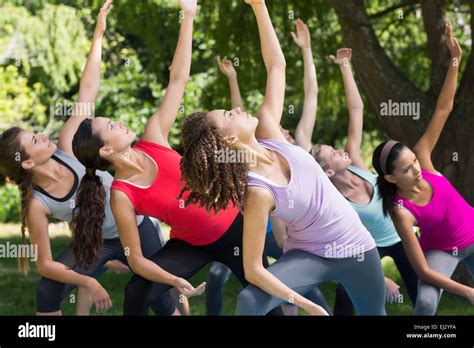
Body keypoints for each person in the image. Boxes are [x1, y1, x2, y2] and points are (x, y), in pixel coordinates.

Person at [71, 0, 283, 316]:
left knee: (266, 302)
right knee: (136, 291)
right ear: (105, 150)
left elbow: (177, 80)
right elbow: (136, 259)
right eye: (111, 125)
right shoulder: (122, 194)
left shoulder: (153, 136)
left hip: (234, 228)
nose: (119, 121)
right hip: (190, 245)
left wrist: (189, 15)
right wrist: (173, 279)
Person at [179, 0, 386, 316]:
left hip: (356, 246)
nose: (236, 108)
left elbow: (276, 66)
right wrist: (309, 306)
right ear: (229, 139)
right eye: (227, 114)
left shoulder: (270, 131)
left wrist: (259, 6)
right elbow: (253, 270)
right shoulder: (257, 192)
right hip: (309, 256)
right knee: (249, 301)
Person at [0, 0, 176, 316]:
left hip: (136, 227)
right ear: (27, 162)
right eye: (35, 139)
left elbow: (88, 91)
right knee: (47, 292)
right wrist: (89, 283)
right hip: (99, 242)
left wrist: (97, 37)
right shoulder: (37, 205)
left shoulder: (68, 147)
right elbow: (46, 265)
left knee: (162, 299)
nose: (43, 134)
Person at [372, 22, 474, 315]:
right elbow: (423, 271)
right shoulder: (401, 211)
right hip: (441, 251)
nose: (416, 169)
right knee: (426, 301)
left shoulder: (424, 158)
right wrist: (467, 291)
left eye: (414, 162)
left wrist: (455, 59)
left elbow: (443, 108)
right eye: (406, 169)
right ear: (391, 177)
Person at [310, 47, 419, 314]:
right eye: (332, 153)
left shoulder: (357, 165)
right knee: (345, 294)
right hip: (370, 247)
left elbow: (356, 109)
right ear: (328, 172)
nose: (339, 150)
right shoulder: (337, 203)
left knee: (422, 295)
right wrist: (381, 280)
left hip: (402, 236)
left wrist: (345, 66)